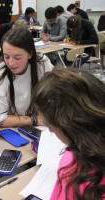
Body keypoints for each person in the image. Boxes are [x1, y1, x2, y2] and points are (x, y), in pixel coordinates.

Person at [30, 68, 105, 200]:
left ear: (68, 125)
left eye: (49, 125)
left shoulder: (75, 170)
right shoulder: (74, 155)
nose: (51, 131)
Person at [0, 28, 54, 127]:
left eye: (17, 58)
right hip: (12, 129)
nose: (11, 63)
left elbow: (56, 96)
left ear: (30, 54)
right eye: (6, 57)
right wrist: (33, 120)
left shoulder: (42, 63)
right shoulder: (0, 73)